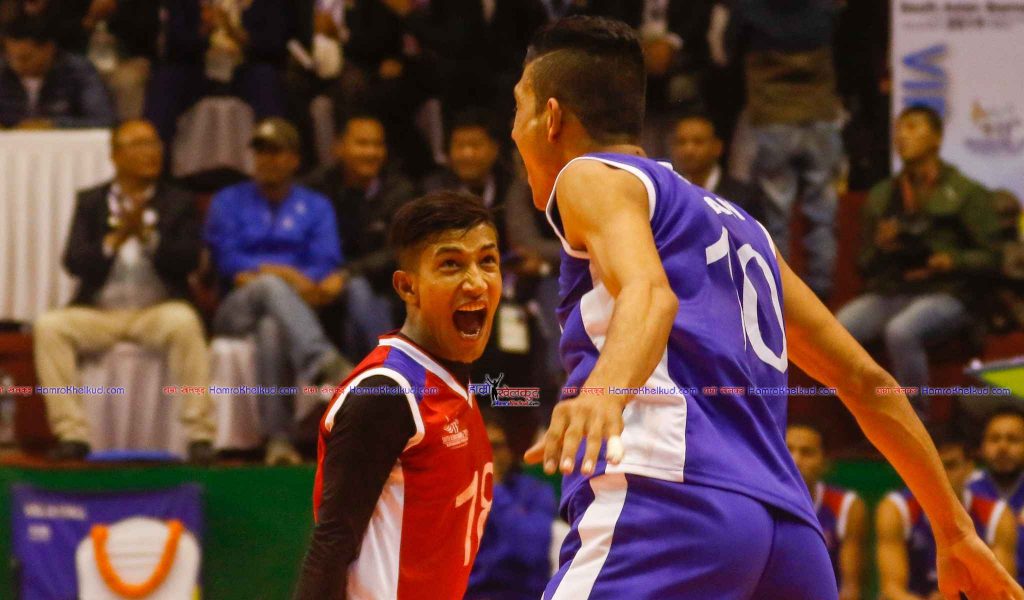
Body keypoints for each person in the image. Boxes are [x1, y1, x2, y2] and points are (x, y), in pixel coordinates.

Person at [509, 16, 1021, 599]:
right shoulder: (745, 229)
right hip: (788, 534)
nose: (514, 129)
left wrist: (603, 393)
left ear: (551, 118)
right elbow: (865, 380)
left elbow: (649, 292)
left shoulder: (590, 176)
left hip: (669, 498)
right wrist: (954, 531)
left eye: (518, 108)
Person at [292, 191, 500, 600]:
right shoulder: (388, 391)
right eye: (451, 264)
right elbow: (331, 543)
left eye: (487, 260)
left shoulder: (452, 378)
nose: (476, 283)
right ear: (408, 287)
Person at [33, 119, 215, 463]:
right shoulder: (92, 202)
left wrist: (148, 238)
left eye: (155, 144)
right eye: (140, 145)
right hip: (100, 314)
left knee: (185, 321)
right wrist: (114, 241)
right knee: (49, 326)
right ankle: (71, 434)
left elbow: (189, 260)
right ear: (116, 155)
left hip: (155, 312)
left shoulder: (177, 201)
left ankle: (200, 435)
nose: (152, 153)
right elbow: (74, 261)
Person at [835, 105, 1000, 421]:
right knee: (839, 330)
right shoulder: (883, 195)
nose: (902, 135)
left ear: (936, 138)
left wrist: (952, 260)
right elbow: (863, 262)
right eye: (899, 128)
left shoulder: (965, 192)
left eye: (912, 127)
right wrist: (881, 247)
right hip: (892, 289)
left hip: (948, 291)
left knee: (901, 331)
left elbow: (994, 256)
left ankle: (915, 420)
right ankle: (865, 414)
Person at [204, 117, 352, 466]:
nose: (267, 160)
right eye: (261, 152)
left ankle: (279, 440)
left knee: (272, 327)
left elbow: (326, 261)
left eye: (276, 152)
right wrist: (282, 274)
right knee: (269, 286)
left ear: (294, 159)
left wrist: (286, 277)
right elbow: (228, 261)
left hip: (293, 308)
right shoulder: (228, 201)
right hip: (236, 308)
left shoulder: (315, 205)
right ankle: (322, 360)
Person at [303, 111, 416, 357]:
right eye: (362, 144)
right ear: (339, 148)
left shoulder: (399, 191)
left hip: (381, 288)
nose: (371, 152)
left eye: (377, 145)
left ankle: (388, 368)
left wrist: (346, 274)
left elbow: (399, 250)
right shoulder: (316, 188)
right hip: (320, 283)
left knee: (358, 290)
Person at [876, 430, 1018, 599]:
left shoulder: (996, 515)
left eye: (950, 466)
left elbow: (1002, 593)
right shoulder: (897, 509)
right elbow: (891, 589)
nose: (940, 475)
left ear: (969, 467)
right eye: (932, 466)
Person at [466, 419, 558, 600]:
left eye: (496, 446)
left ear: (510, 451)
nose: (488, 454)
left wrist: (493, 487)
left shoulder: (534, 491)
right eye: (481, 446)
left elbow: (530, 550)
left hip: (522, 594)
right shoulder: (458, 495)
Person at [786, 422, 866, 599]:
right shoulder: (760, 505)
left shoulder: (845, 506)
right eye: (787, 450)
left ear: (825, 462)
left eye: (807, 452)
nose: (795, 460)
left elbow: (850, 588)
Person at [0, 15, 115, 128]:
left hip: (65, 139)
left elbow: (103, 120)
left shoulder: (78, 71)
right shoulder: (3, 71)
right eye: (9, 57)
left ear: (49, 49)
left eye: (25, 58)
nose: (16, 64)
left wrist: (53, 125)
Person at [670, 113, 765, 222]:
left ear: (717, 147)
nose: (688, 150)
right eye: (681, 142)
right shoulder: (671, 194)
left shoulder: (744, 196)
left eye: (698, 142)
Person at [969, 407, 1024, 585]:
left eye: (1013, 439)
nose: (1003, 447)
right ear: (981, 447)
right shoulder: (965, 492)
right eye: (994, 439)